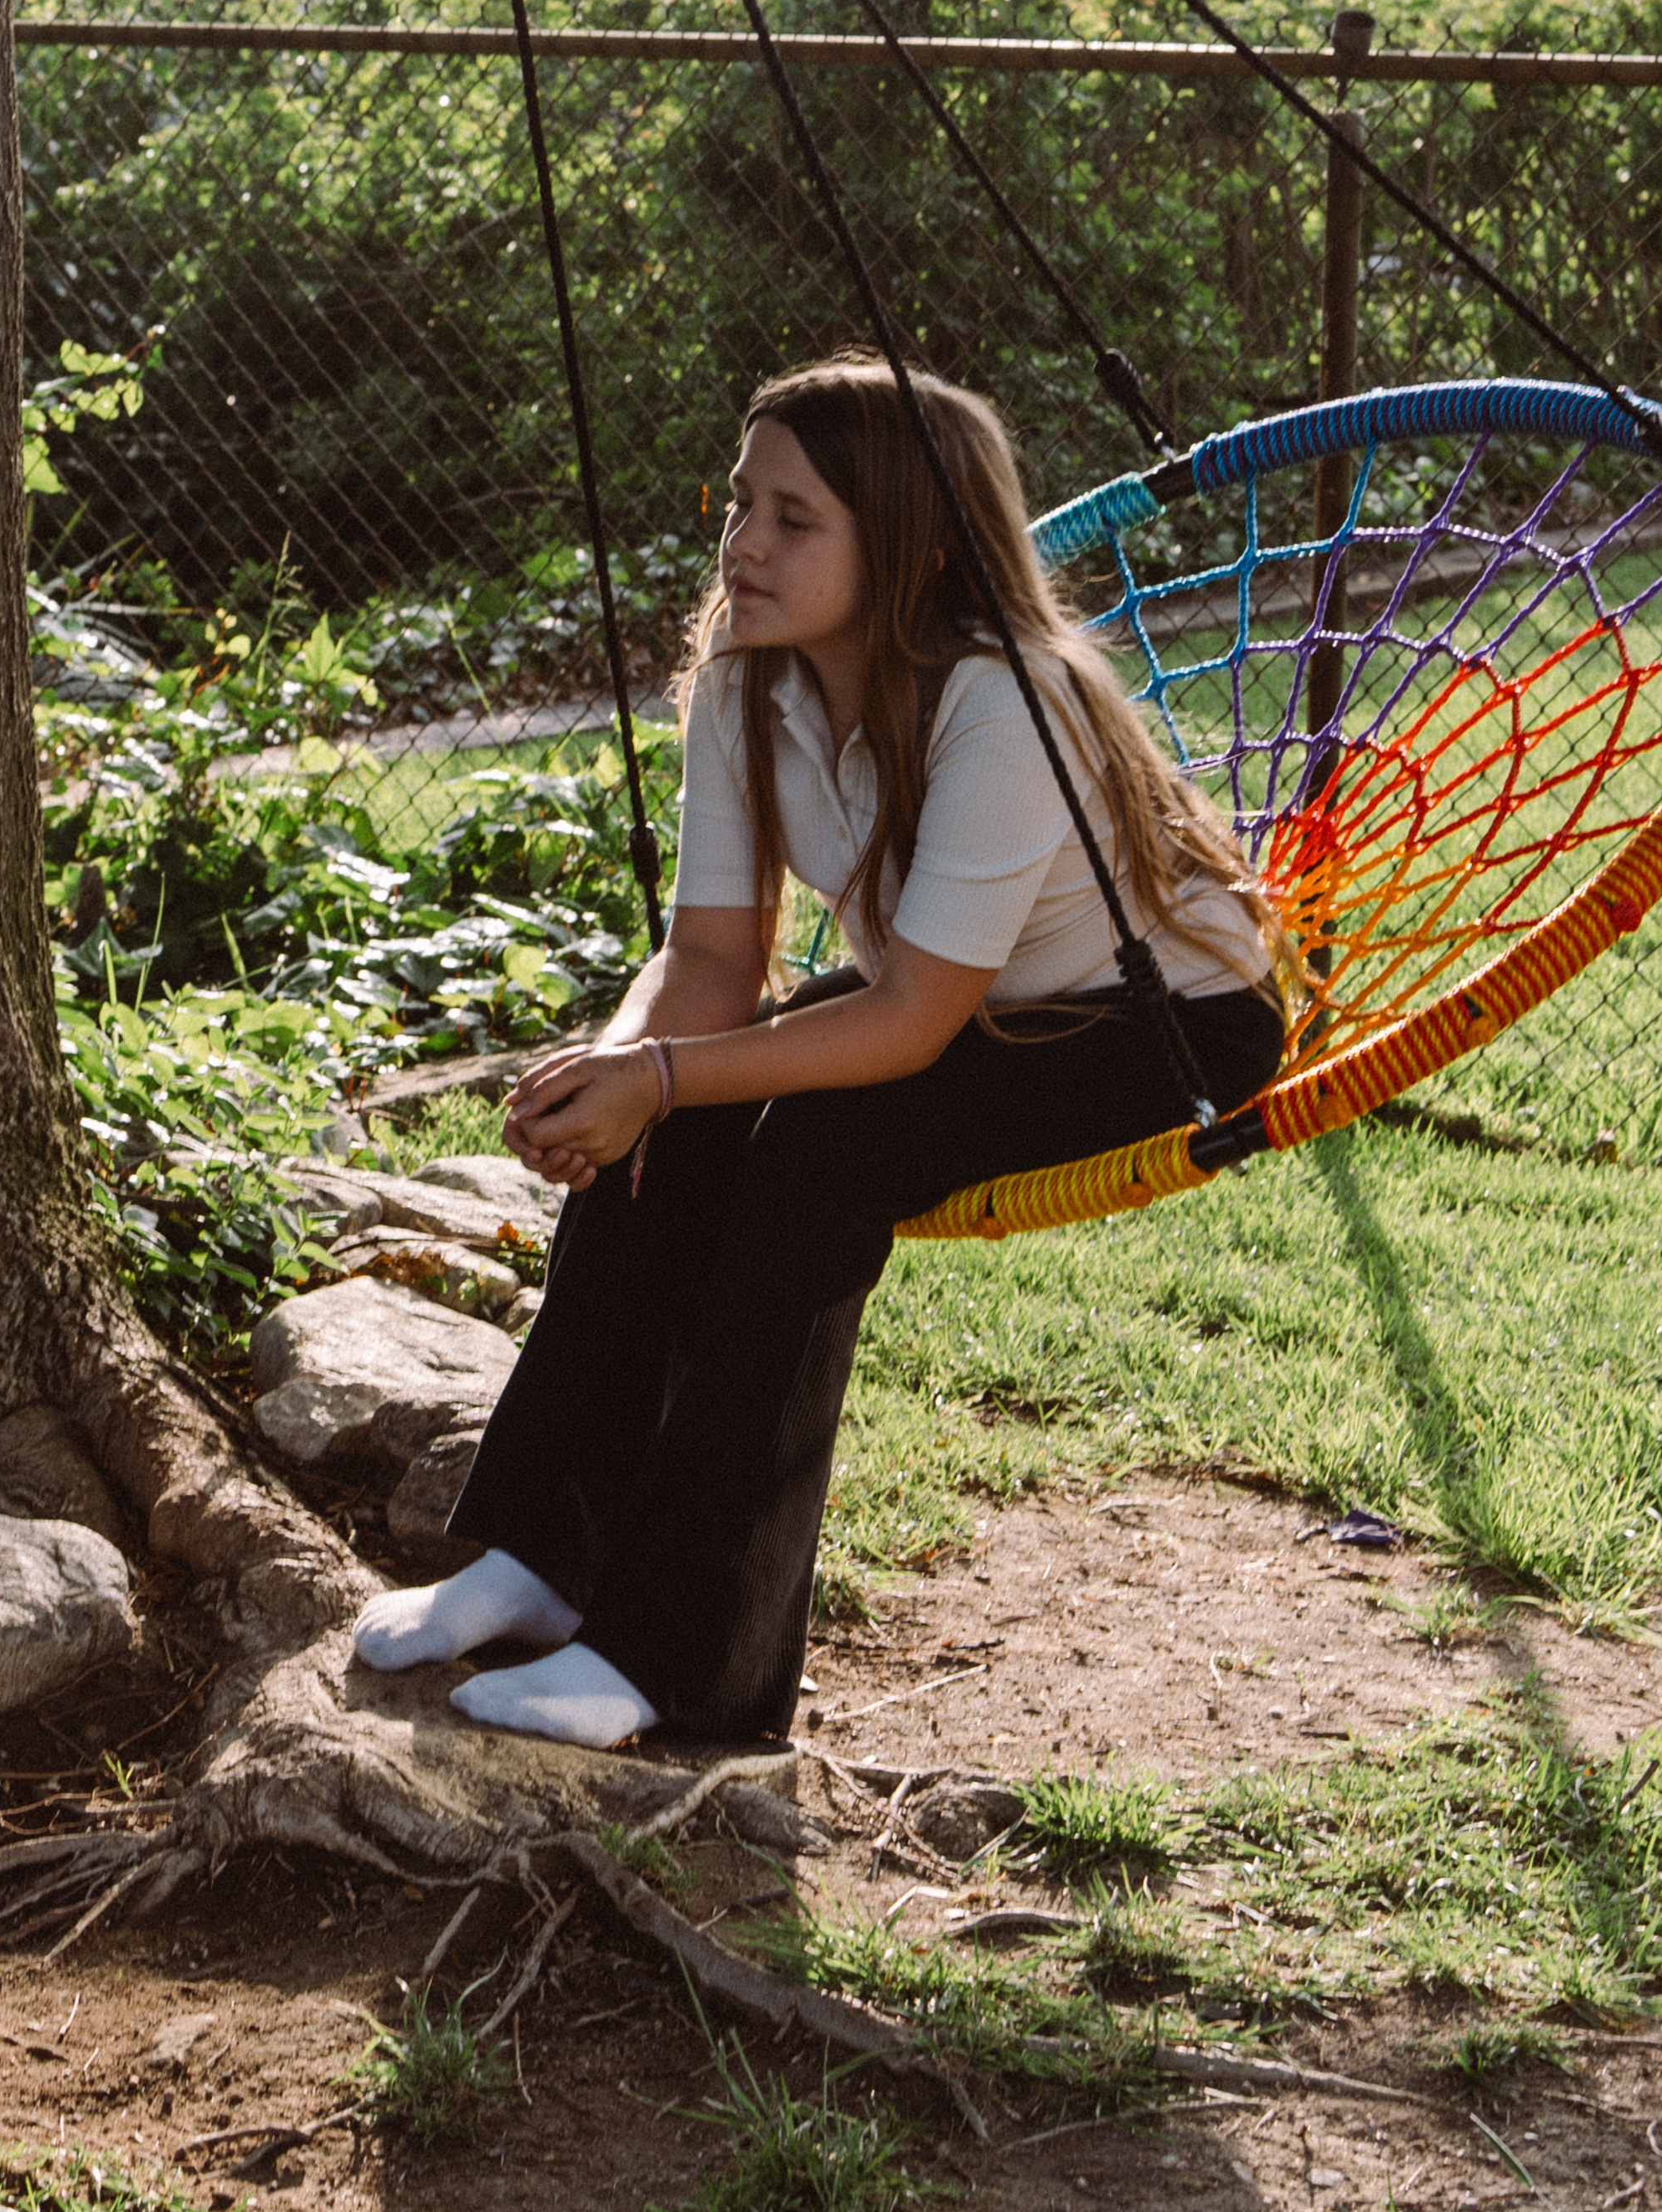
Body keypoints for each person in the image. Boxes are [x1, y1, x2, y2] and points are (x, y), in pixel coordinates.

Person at [357, 353, 1288, 1749]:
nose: (743, 543)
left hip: (1157, 1023)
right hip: (964, 991)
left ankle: (682, 1663)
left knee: (820, 1159)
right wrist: (611, 1073)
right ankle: (546, 1560)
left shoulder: (1006, 697)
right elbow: (717, 963)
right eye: (742, 505)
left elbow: (906, 1019)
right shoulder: (747, 680)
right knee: (667, 1128)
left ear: (904, 538)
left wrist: (658, 1078)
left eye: (794, 517)